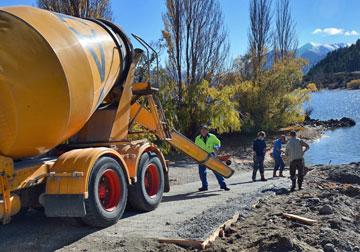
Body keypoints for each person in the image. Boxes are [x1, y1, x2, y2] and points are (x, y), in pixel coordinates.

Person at [195, 125, 230, 191]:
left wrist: (216, 147)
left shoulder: (212, 137)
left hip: (211, 155)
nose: (203, 131)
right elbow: (196, 148)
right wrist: (196, 157)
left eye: (205, 130)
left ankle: (223, 185)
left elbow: (218, 143)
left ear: (207, 130)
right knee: (202, 172)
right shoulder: (197, 138)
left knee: (216, 170)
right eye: (202, 130)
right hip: (201, 156)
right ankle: (204, 186)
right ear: (200, 131)